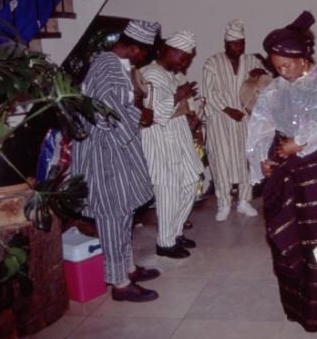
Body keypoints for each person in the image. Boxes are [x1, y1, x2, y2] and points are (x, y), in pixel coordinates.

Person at [246, 11, 317, 332]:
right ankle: (297, 309)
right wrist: (262, 159)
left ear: (303, 57)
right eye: (277, 67)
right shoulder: (275, 89)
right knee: (285, 240)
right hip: (286, 171)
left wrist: (301, 142)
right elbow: (260, 125)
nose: (282, 72)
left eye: (287, 66)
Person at [70, 20, 161, 303]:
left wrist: (136, 114)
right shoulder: (107, 66)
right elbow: (104, 115)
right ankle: (120, 284)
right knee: (112, 215)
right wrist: (140, 116)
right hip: (104, 154)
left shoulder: (115, 65)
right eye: (143, 52)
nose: (143, 58)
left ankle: (128, 268)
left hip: (116, 149)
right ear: (133, 47)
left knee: (124, 211)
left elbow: (116, 106)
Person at [140, 31, 204, 259]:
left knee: (190, 183)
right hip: (160, 140)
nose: (184, 64)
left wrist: (189, 116)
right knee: (168, 191)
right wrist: (178, 96)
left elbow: (179, 107)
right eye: (183, 58)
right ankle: (165, 243)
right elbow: (153, 114)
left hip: (179, 137)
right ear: (169, 51)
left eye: (187, 59)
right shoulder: (149, 74)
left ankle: (176, 232)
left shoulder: (172, 76)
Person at [202, 19, 266, 221]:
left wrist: (261, 73)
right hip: (220, 119)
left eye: (241, 44)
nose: (238, 48)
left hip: (245, 120)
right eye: (234, 44)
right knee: (221, 161)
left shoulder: (252, 61)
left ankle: (244, 201)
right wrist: (228, 110)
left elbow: (265, 84)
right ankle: (224, 203)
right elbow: (208, 92)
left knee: (246, 160)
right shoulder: (212, 63)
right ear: (226, 44)